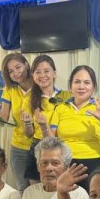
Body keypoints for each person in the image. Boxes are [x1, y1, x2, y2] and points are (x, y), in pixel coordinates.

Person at [50, 65, 100, 191]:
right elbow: (51, 141)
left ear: (93, 86)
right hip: (66, 165)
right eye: (77, 82)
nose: (81, 86)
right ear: (70, 85)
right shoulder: (60, 108)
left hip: (95, 164)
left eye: (87, 82)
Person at [22, 55, 71, 184]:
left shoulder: (67, 96)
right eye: (38, 72)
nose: (42, 75)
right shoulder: (29, 99)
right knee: (36, 189)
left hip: (61, 146)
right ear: (33, 76)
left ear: (54, 73)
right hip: (38, 145)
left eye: (46, 71)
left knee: (60, 187)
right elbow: (29, 134)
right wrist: (27, 123)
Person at [0, 53, 33, 190]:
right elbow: (4, 118)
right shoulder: (10, 89)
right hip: (18, 146)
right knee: (22, 187)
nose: (16, 73)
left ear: (26, 65)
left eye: (18, 67)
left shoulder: (39, 85)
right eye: (11, 71)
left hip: (38, 145)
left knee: (38, 188)